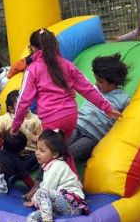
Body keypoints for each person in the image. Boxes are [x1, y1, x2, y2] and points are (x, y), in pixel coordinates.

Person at [10, 28, 122, 175]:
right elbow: (87, 88)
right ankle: (70, 186)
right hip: (70, 117)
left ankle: (60, 187)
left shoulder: (33, 69)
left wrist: (15, 125)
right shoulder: (66, 65)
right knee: (61, 152)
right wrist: (107, 108)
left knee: (49, 155)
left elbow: (23, 100)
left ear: (33, 48)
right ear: (55, 45)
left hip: (52, 118)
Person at [3, 130, 88, 222]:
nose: (37, 153)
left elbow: (47, 188)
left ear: (54, 154)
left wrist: (34, 200)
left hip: (72, 205)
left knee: (42, 192)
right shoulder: (47, 165)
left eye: (42, 151)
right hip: (58, 205)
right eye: (37, 149)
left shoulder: (57, 165)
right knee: (33, 216)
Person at [68, 54, 131, 162]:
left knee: (69, 153)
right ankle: (41, 174)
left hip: (93, 136)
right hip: (77, 125)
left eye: (100, 81)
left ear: (113, 81)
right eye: (96, 80)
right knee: (55, 147)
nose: (97, 84)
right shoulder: (93, 90)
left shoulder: (123, 99)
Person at [0, 90, 42, 171]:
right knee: (2, 158)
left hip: (29, 152)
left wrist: (37, 138)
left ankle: (18, 171)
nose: (25, 107)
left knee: (37, 157)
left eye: (26, 103)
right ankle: (12, 170)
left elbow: (43, 134)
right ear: (11, 108)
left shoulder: (35, 119)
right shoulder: (6, 119)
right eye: (21, 105)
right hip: (10, 153)